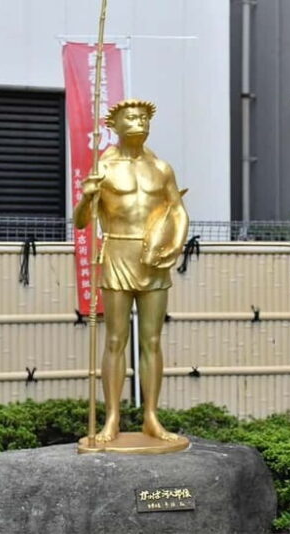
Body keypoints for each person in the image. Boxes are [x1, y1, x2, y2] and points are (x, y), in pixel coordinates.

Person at [73, 98, 189, 443]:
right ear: (115, 125)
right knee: (115, 339)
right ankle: (111, 418)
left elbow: (178, 210)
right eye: (131, 118)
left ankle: (151, 416)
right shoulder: (103, 168)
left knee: (152, 339)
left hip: (154, 256)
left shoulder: (162, 168)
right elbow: (80, 222)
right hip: (118, 253)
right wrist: (86, 196)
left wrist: (176, 244)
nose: (139, 122)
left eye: (143, 118)